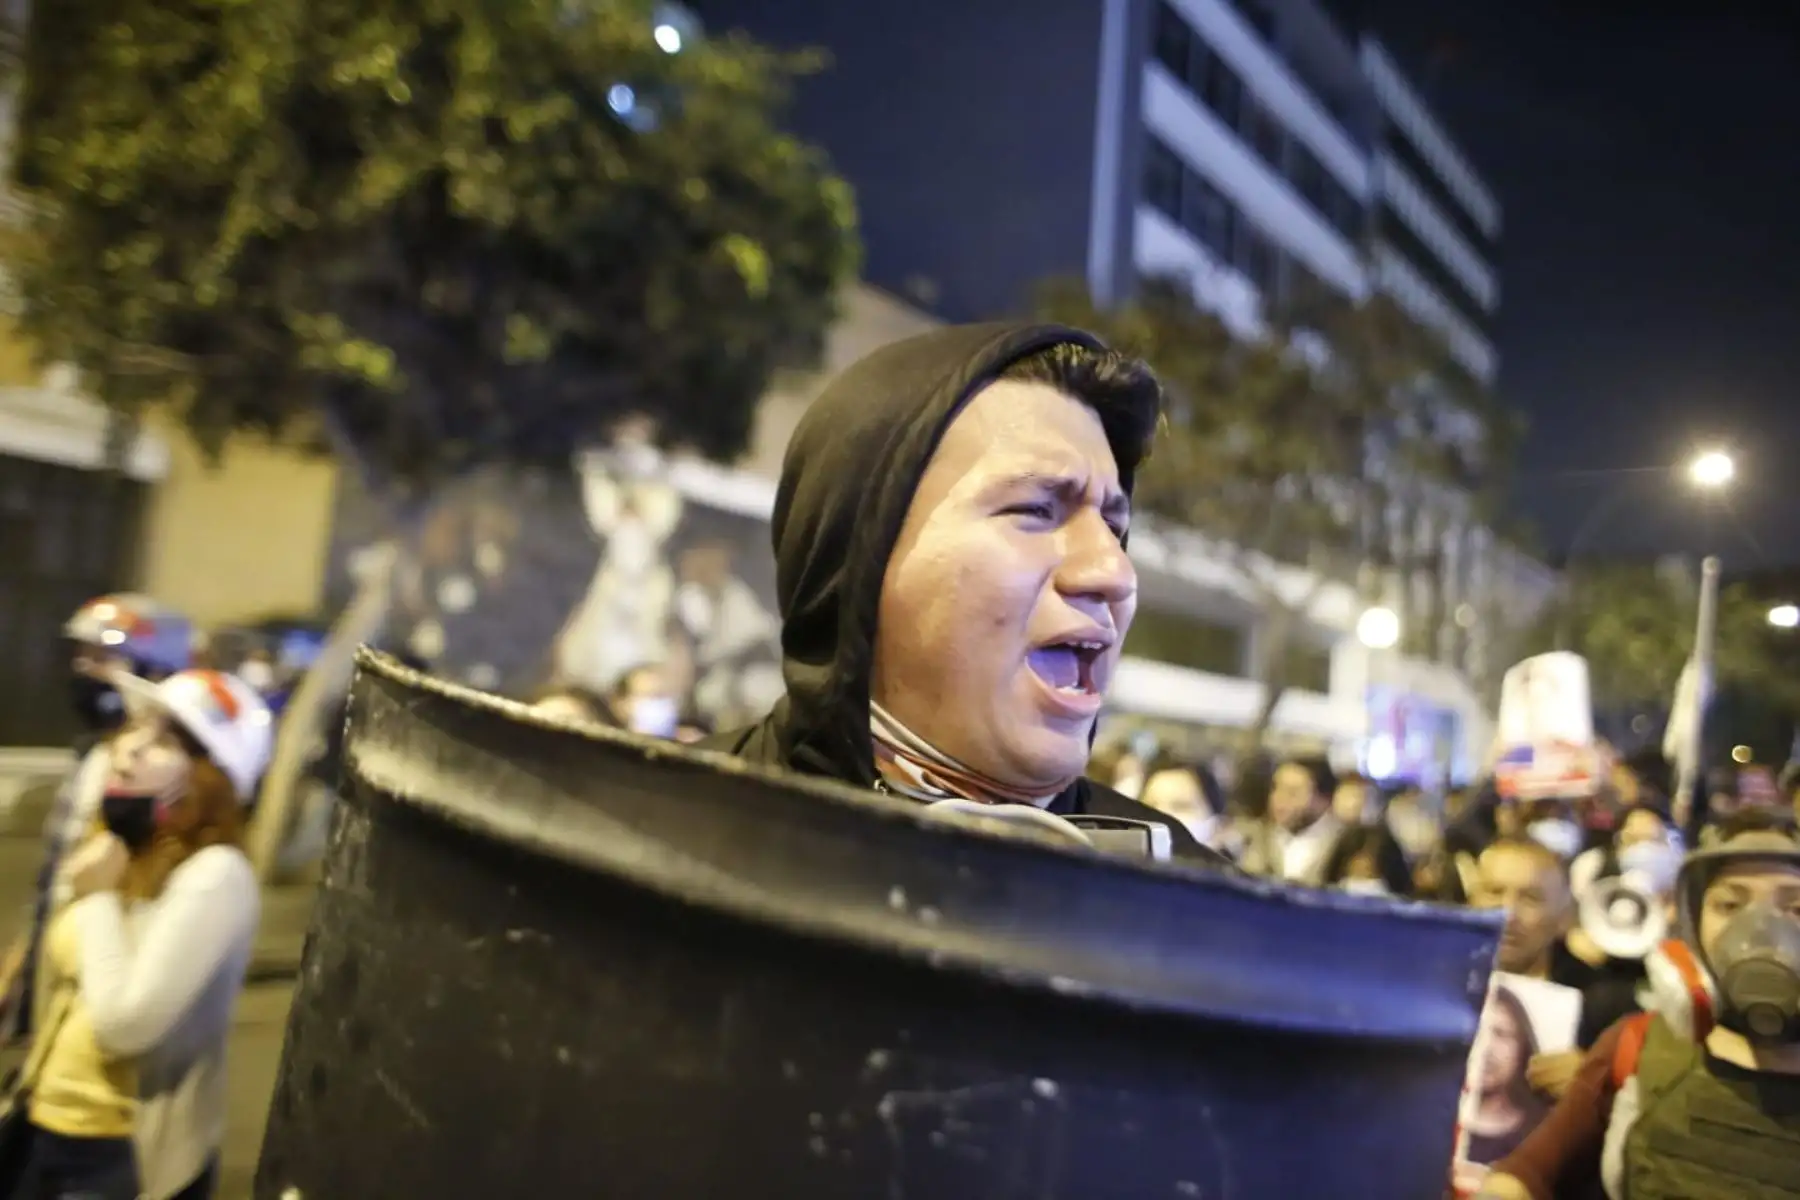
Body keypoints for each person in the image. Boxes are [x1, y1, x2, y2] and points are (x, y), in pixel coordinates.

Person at [698, 322, 1227, 864]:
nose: (1114, 572)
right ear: (856, 558)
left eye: (1115, 528)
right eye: (1036, 510)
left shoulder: (1212, 914)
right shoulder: (654, 837)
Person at [12, 668, 271, 1200]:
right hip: (45, 1128)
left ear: (207, 776)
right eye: (136, 729)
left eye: (163, 742)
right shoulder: (123, 848)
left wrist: (100, 897)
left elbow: (124, 1026)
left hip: (115, 1160)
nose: (128, 749)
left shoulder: (215, 876)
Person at [1476, 828, 1800, 1200]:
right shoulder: (1637, 1045)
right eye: (1729, 905)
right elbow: (1527, 1172)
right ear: (1694, 928)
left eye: (1796, 908)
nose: (1760, 930)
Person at [2, 597, 193, 1048]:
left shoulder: (155, 778)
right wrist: (21, 962)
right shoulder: (95, 753)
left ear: (153, 671)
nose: (84, 669)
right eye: (81, 656)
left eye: (103, 657)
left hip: (99, 981)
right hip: (57, 963)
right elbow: (60, 875)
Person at [1460, 984, 1552, 1167]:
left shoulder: (1542, 1129)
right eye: (1476, 1031)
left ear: (1522, 1048)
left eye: (1501, 1034)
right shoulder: (1426, 1117)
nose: (1486, 1048)